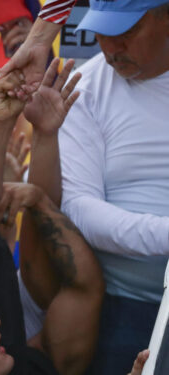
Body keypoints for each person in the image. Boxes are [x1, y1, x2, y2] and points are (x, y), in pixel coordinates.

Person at [55, 1, 169, 373]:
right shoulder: (85, 86)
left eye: (126, 32)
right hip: (123, 306)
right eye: (102, 32)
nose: (110, 48)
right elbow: (79, 207)